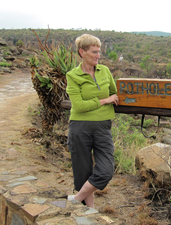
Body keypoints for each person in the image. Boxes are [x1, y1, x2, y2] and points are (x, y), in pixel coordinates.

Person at [66, 34, 119, 209]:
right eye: (94, 52)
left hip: (103, 126)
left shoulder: (104, 71)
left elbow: (115, 93)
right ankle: (89, 210)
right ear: (82, 52)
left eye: (99, 52)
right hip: (80, 126)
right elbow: (79, 105)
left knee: (106, 170)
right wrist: (104, 101)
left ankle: (76, 198)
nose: (98, 55)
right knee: (83, 170)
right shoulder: (73, 75)